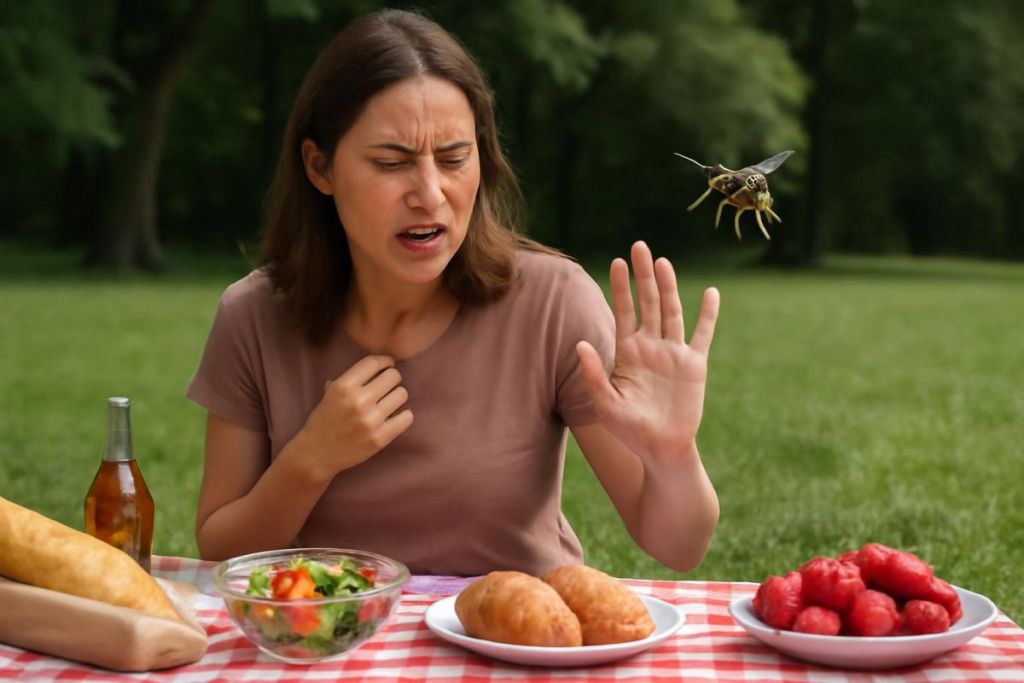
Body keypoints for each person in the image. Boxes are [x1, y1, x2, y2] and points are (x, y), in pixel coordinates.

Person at [187, 9, 721, 577]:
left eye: (453, 158)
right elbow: (221, 552)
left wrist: (672, 456)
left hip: (513, 645)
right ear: (320, 167)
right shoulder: (253, 316)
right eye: (391, 162)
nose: (429, 194)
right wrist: (309, 461)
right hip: (332, 644)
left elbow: (678, 548)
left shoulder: (553, 304)